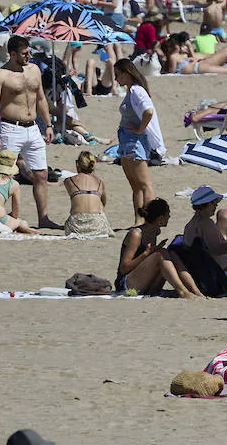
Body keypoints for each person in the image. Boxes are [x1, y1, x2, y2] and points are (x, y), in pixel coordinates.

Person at [0, 35, 57, 229]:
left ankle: (43, 218)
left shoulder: (34, 69)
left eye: (29, 52)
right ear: (12, 54)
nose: (29, 56)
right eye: (25, 53)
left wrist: (48, 124)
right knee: (5, 175)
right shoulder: (1, 75)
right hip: (10, 127)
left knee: (41, 174)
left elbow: (41, 98)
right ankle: (4, 217)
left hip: (33, 128)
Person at [115, 198, 203, 297]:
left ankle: (195, 291)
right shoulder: (136, 234)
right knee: (161, 254)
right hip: (126, 284)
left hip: (146, 284)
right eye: (167, 214)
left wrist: (152, 252)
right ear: (160, 218)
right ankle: (183, 292)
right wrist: (146, 254)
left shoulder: (155, 232)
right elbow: (124, 268)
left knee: (171, 254)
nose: (169, 216)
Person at [113, 58, 161, 225]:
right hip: (127, 142)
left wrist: (140, 129)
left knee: (145, 184)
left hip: (135, 141)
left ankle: (151, 220)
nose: (115, 78)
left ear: (127, 73)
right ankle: (138, 221)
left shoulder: (137, 91)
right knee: (135, 186)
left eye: (117, 74)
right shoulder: (131, 90)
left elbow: (149, 111)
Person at [63, 150, 111, 237]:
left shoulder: (69, 181)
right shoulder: (100, 182)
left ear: (77, 164)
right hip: (98, 225)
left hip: (76, 225)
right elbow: (103, 203)